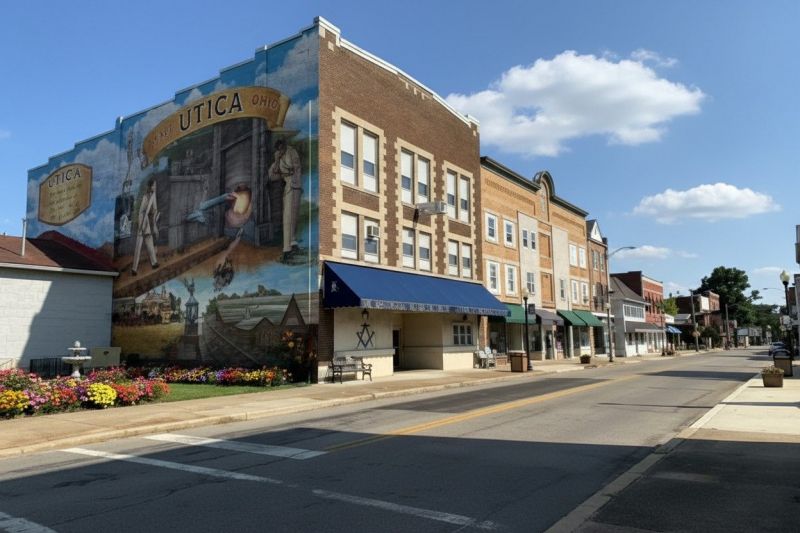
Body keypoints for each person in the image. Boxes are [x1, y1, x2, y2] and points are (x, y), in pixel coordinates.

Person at [268, 139, 302, 262]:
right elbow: (272, 176)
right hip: (288, 188)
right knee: (287, 217)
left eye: (281, 148)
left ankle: (292, 243)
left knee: (294, 216)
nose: (280, 151)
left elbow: (295, 168)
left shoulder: (291, 152)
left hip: (295, 186)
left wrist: (286, 173)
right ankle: (287, 250)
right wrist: (277, 160)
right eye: (278, 150)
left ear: (284, 146)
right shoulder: (278, 157)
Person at [131, 178, 159, 276]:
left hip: (147, 220)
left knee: (149, 241)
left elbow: (154, 209)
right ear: (150, 186)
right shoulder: (145, 196)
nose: (155, 187)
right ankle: (134, 268)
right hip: (142, 219)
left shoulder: (153, 195)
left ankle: (154, 262)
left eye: (155, 185)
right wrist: (142, 225)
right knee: (139, 245)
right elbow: (142, 211)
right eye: (154, 185)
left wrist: (154, 220)